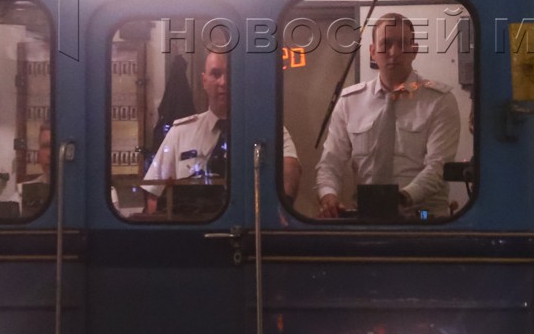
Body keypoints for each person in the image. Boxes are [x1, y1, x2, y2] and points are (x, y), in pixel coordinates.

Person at [316, 13, 462, 220]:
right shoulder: (350, 101)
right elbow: (331, 162)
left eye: (402, 44)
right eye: (386, 44)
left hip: (423, 218)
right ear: (373, 52)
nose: (394, 52)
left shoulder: (439, 101)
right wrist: (328, 196)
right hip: (366, 218)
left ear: (414, 50)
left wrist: (400, 199)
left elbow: (438, 166)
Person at [140, 49, 299, 214]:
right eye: (216, 74)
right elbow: (153, 193)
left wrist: (278, 212)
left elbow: (290, 169)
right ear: (204, 81)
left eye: (230, 74)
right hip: (194, 227)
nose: (223, 82)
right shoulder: (180, 133)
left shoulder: (267, 129)